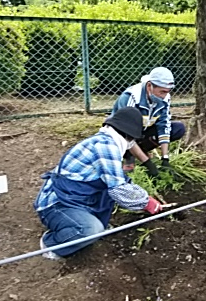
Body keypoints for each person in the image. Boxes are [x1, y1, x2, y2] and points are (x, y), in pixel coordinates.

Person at [34, 107, 163, 260]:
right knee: (90, 230)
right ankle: (52, 243)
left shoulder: (106, 141)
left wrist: (142, 196)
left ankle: (84, 224)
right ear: (128, 135)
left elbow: (118, 180)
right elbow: (118, 189)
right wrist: (146, 202)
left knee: (100, 222)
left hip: (77, 199)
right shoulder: (106, 147)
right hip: (57, 204)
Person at [111, 67, 186, 176]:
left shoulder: (164, 98)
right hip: (121, 135)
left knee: (178, 128)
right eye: (162, 92)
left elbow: (164, 125)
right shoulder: (131, 98)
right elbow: (126, 134)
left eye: (167, 92)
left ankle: (140, 151)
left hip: (142, 130)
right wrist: (147, 163)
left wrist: (165, 158)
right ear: (150, 85)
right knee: (124, 136)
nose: (164, 96)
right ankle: (128, 155)